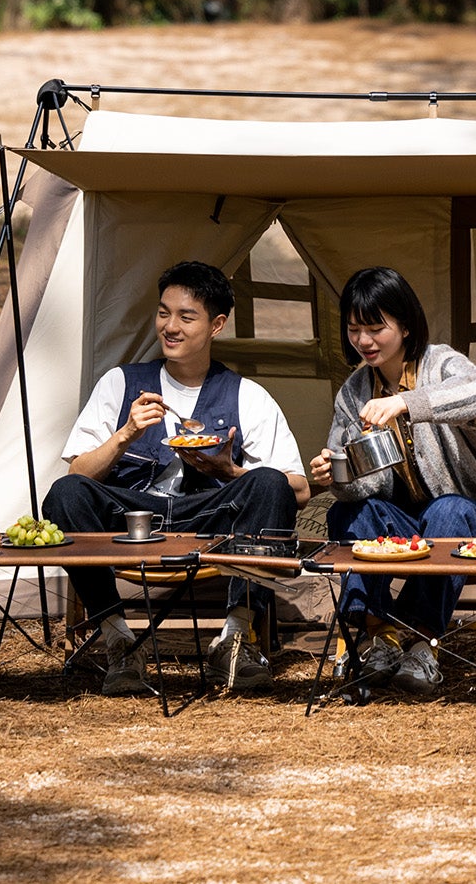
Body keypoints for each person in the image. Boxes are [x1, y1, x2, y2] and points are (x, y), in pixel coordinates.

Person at [43, 260, 310, 696]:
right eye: (164, 313)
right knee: (64, 494)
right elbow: (79, 474)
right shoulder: (121, 382)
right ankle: (119, 640)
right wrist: (127, 434)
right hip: (134, 518)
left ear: (217, 325)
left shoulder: (247, 394)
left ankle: (236, 639)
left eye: (186, 317)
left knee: (269, 482)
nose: (170, 327)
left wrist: (229, 470)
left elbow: (298, 490)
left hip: (209, 518)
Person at [308, 266, 476, 696]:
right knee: (350, 511)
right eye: (354, 328)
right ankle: (376, 635)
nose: (364, 340)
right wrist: (335, 476)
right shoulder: (354, 392)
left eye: (376, 327)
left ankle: (421, 642)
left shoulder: (440, 363)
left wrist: (405, 402)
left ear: (404, 324)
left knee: (447, 509)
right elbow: (359, 485)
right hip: (407, 525)